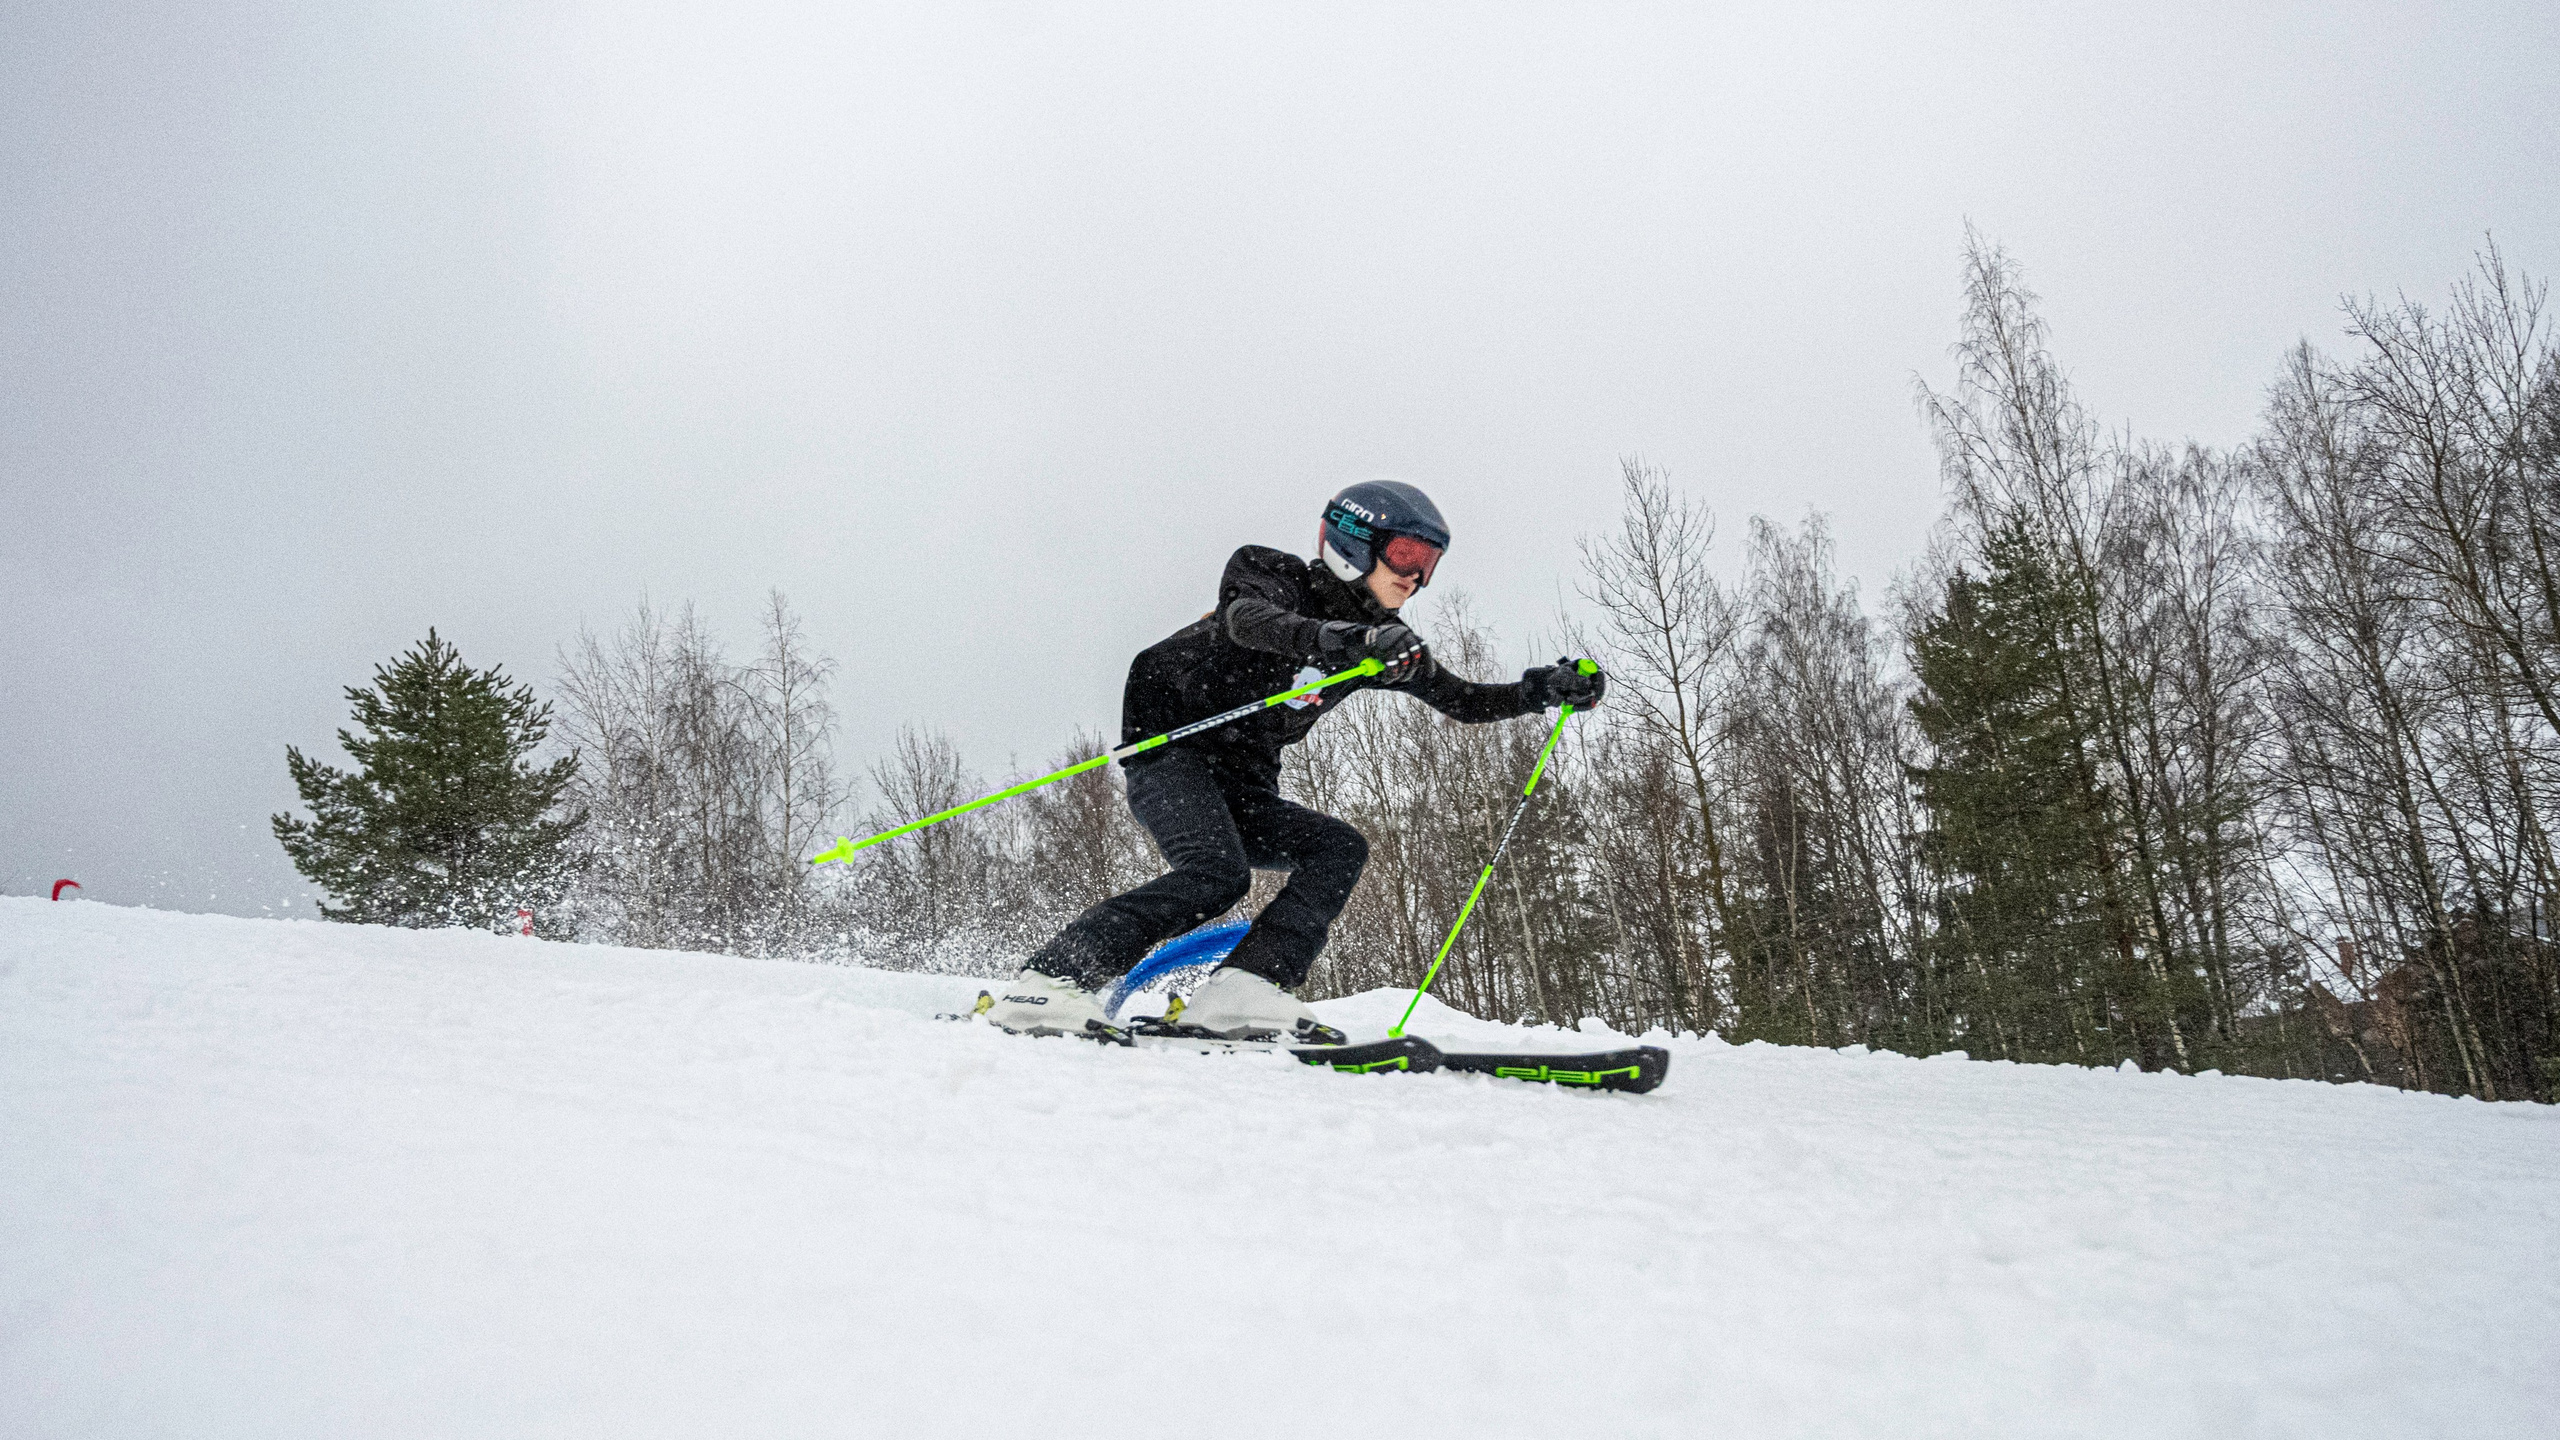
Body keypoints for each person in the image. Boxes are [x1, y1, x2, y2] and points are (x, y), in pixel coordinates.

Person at [984, 480, 1606, 1042]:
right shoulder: (1271, 573)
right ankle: (1047, 983)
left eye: (1429, 566)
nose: (1416, 579)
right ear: (1354, 544)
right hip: (1171, 752)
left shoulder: (1383, 644)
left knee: (1338, 848)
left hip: (1246, 784)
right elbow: (1249, 622)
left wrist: (1541, 691)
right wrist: (1345, 640)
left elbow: (1462, 700)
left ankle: (1242, 991)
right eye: (1407, 557)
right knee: (1217, 874)